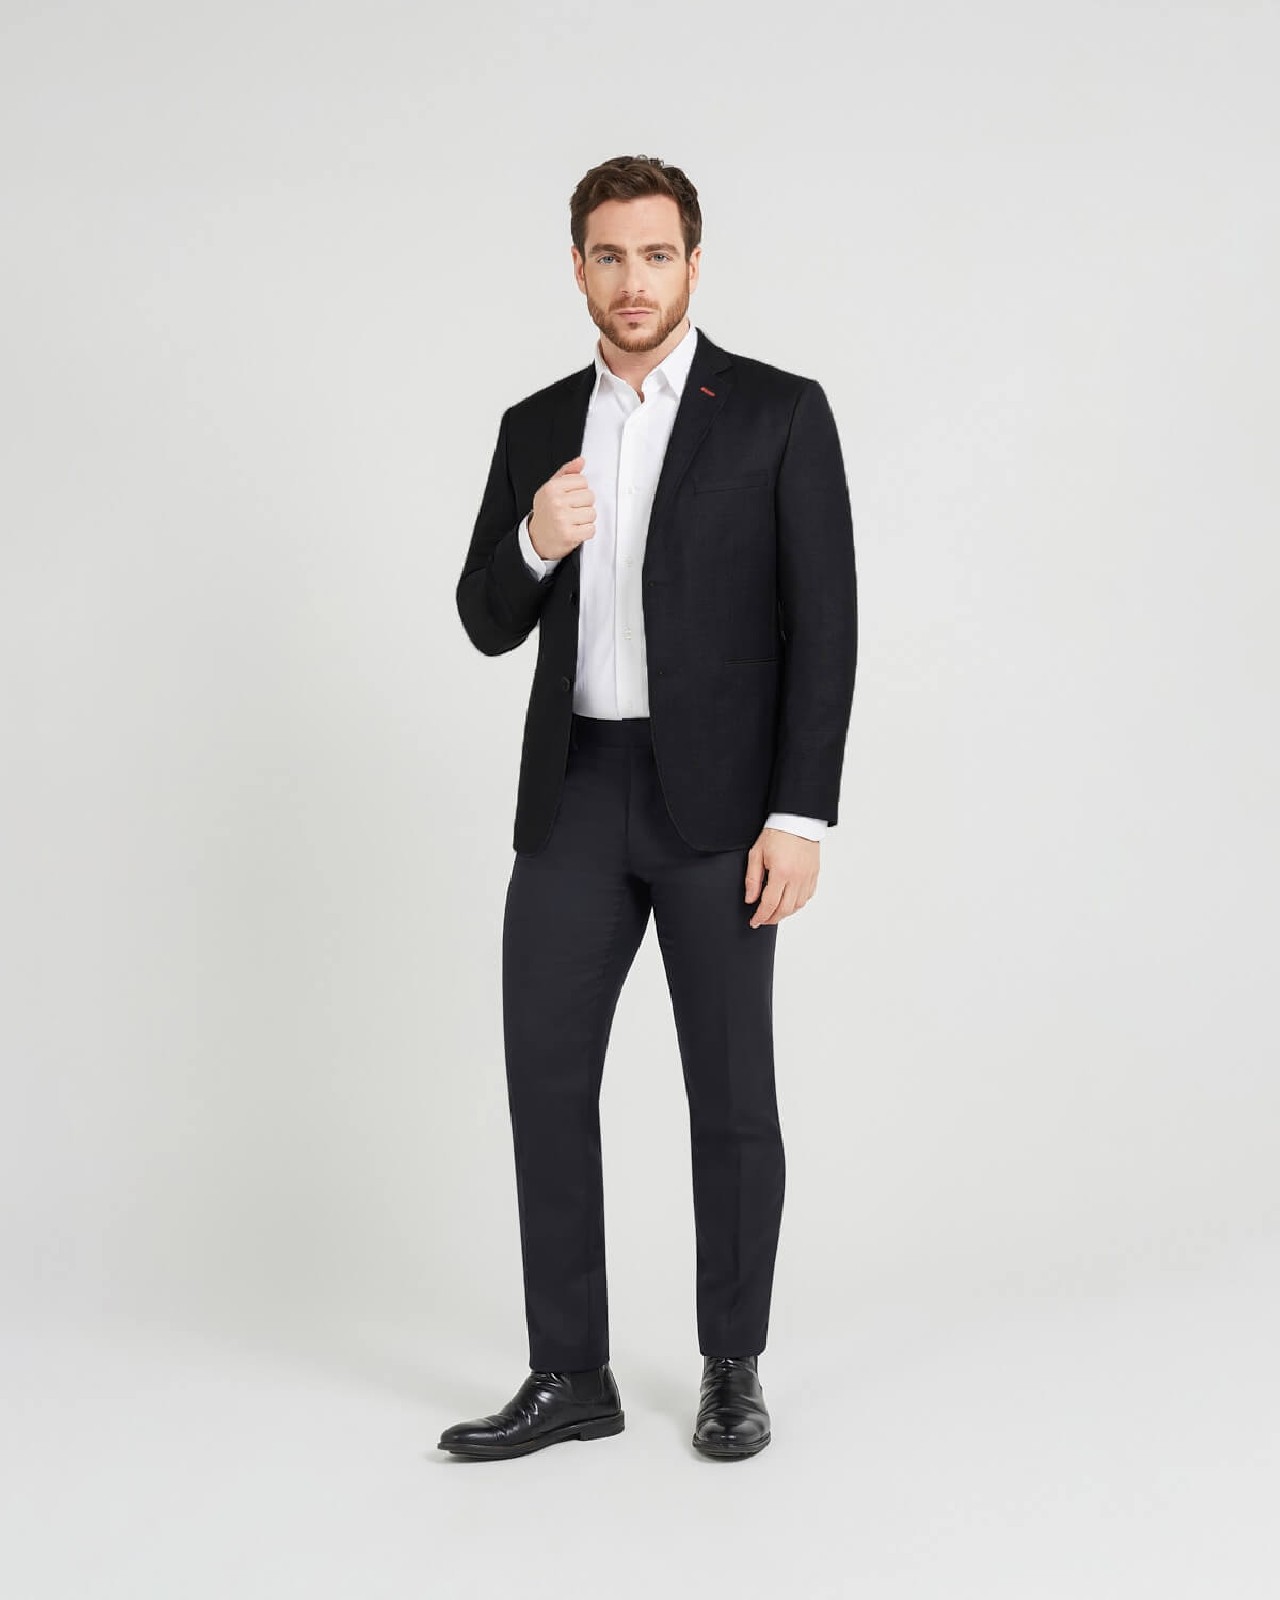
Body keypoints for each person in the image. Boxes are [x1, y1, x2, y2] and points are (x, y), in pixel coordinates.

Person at [439, 153, 857, 1461]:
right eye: (610, 256)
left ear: (694, 263)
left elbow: (826, 629)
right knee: (546, 1082)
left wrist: (801, 816)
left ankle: (733, 1366)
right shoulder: (536, 426)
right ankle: (571, 1374)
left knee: (729, 1094)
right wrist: (534, 541)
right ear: (577, 268)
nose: (635, 281)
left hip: (721, 811)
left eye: (657, 255)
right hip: (574, 796)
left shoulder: (777, 413)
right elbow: (484, 619)